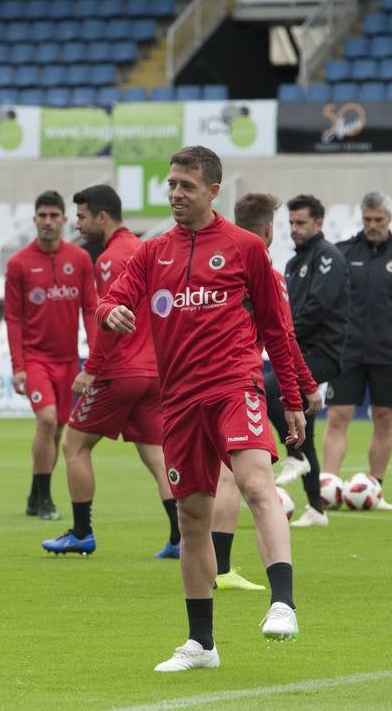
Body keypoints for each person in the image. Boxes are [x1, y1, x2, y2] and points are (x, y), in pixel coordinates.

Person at [97, 146, 317, 673]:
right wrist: (113, 313)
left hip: (233, 386)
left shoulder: (244, 248)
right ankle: (202, 644)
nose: (175, 194)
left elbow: (277, 330)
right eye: (171, 185)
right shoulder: (152, 253)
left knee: (257, 484)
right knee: (192, 517)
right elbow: (110, 297)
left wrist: (290, 397)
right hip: (178, 401)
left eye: (186, 186)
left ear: (212, 190)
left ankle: (282, 602)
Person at [39, 184, 181, 558]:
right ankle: (181, 537)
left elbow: (110, 319)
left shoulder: (111, 258)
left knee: (74, 444)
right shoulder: (144, 249)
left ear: (102, 217)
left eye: (82, 218)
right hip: (153, 370)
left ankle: (82, 532)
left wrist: (93, 369)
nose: (79, 226)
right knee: (155, 453)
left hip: (120, 369)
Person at [205, 194, 324, 594]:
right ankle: (261, 586)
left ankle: (218, 569)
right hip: (238, 385)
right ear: (270, 229)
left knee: (222, 478)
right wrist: (305, 387)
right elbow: (284, 337)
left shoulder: (212, 264)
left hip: (197, 383)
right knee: (247, 480)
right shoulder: (266, 273)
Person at [323, 192, 392, 511]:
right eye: (367, 219)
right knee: (338, 416)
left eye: (378, 220)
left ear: (389, 218)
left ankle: (375, 487)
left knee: (384, 418)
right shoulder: (342, 253)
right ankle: (328, 488)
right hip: (347, 351)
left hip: (389, 353)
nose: (372, 225)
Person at [3, 190, 95, 522]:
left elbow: (90, 309)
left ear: (64, 220)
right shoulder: (19, 263)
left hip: (69, 361)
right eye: (42, 216)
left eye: (54, 216)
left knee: (57, 431)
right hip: (36, 360)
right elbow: (12, 318)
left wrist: (95, 358)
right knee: (46, 421)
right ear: (34, 220)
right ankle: (44, 500)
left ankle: (34, 494)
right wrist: (19, 366)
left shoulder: (80, 259)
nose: (48, 222)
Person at [279, 194, 350, 526]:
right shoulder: (294, 263)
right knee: (304, 426)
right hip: (300, 351)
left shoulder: (328, 257)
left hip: (322, 351)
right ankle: (316, 509)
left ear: (319, 223)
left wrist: (282, 336)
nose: (294, 229)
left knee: (268, 389)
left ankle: (294, 457)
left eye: (301, 222)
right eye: (291, 223)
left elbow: (317, 308)